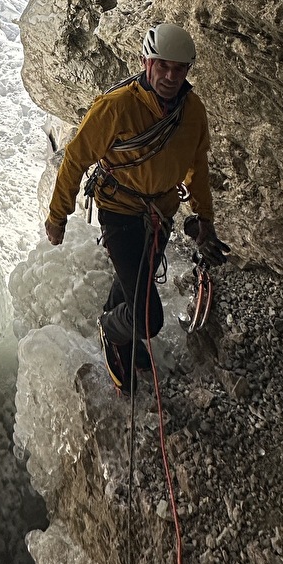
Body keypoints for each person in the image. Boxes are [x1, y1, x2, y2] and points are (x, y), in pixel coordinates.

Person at [44, 21, 228, 396]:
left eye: (179, 69)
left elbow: (198, 169)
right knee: (148, 317)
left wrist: (204, 217)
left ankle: (121, 334)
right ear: (147, 63)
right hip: (121, 213)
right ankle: (113, 331)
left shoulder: (192, 112)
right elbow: (76, 158)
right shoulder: (116, 108)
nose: (170, 76)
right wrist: (57, 215)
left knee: (135, 283)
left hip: (161, 214)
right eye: (163, 66)